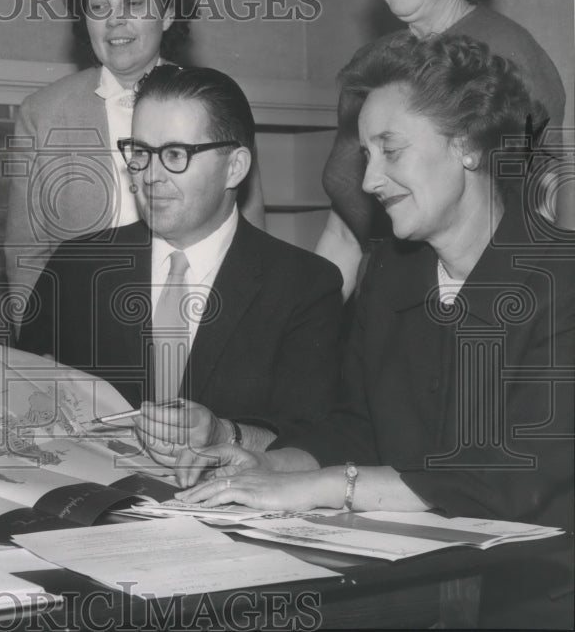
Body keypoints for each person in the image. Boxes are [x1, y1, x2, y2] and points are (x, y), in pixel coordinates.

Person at [178, 34, 573, 626]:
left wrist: (318, 488)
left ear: (465, 145)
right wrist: (272, 468)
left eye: (390, 149)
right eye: (367, 154)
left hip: (532, 601)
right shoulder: (390, 272)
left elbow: (501, 483)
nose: (369, 181)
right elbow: (355, 425)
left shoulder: (560, 282)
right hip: (409, 584)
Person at [18, 65, 342, 470]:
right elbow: (19, 409)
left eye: (174, 155)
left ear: (235, 167)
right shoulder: (74, 270)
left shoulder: (304, 286)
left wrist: (224, 433)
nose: (150, 177)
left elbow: (317, 440)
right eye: (139, 153)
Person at [315, 0, 568, 299]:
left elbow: (534, 234)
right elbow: (345, 233)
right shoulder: (373, 67)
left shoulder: (509, 63)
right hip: (377, 314)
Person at [5, 0, 266, 309]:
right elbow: (25, 257)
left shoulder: (217, 104)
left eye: (134, 3)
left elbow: (251, 238)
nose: (114, 21)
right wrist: (40, 353)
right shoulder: (42, 113)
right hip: (86, 330)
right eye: (98, 6)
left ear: (168, 13)